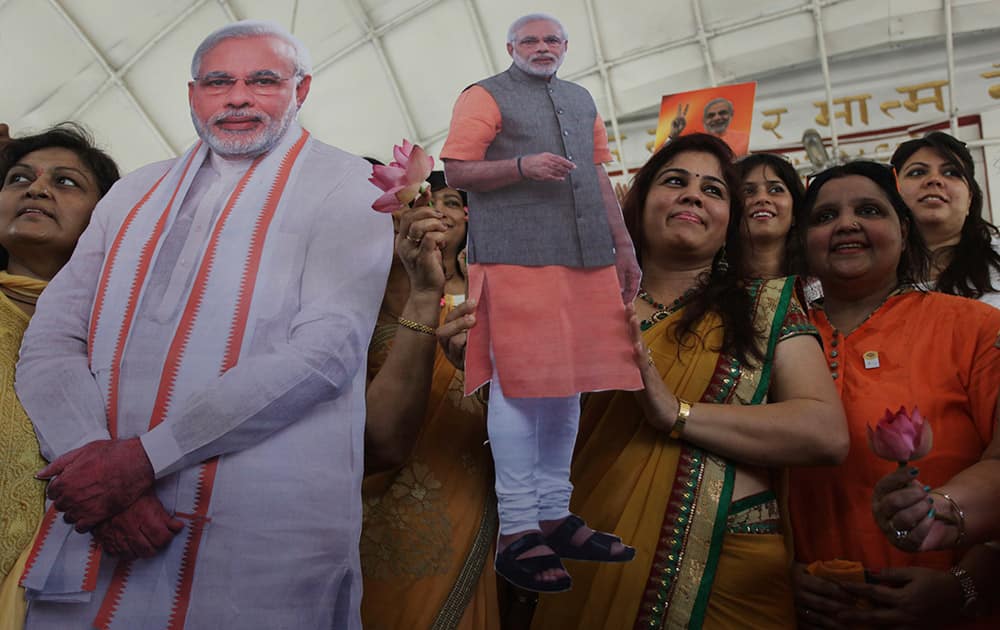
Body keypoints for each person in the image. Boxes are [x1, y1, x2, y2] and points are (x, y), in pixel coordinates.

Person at [15, 20, 392, 629]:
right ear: (193, 95)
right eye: (219, 82)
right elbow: (52, 339)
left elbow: (327, 351)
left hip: (259, 538)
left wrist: (141, 461)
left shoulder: (351, 185)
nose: (238, 97)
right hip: (103, 518)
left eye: (263, 80)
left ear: (302, 90)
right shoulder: (133, 193)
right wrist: (92, 465)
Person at [530, 133, 848, 629]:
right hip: (594, 550)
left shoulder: (763, 306)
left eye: (714, 190)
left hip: (728, 570)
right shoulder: (580, 309)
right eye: (674, 181)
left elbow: (824, 432)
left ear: (730, 226)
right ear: (640, 204)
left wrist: (675, 413)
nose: (693, 195)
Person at [440, 12, 643, 593]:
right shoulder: (484, 96)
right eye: (529, 40)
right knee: (519, 384)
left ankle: (553, 512)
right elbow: (455, 169)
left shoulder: (580, 99)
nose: (541, 47)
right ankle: (518, 527)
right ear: (509, 47)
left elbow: (600, 177)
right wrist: (522, 166)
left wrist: (623, 247)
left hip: (587, 256)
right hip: (514, 256)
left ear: (566, 46)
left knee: (571, 381)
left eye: (552, 39)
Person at [786, 161, 1000, 629]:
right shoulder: (774, 335)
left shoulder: (975, 327)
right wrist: (775, 574)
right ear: (802, 239)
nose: (846, 224)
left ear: (903, 231)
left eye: (868, 210)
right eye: (824, 217)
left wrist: (963, 585)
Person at [360, 172, 500, 628]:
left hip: (463, 495)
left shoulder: (494, 296)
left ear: (470, 218)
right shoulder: (363, 300)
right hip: (368, 502)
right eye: (425, 199)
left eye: (452, 202)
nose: (438, 210)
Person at [0, 124, 120, 629]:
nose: (37, 187)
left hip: (75, 590)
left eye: (66, 182)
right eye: (18, 177)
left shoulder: (123, 339)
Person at [891, 131, 1000, 308]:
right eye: (917, 172)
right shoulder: (864, 276)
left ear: (970, 199)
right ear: (892, 194)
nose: (934, 180)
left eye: (952, 173)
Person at [738, 152, 804, 279]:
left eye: (775, 190)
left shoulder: (822, 286)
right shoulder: (707, 289)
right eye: (748, 191)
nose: (762, 198)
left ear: (795, 212)